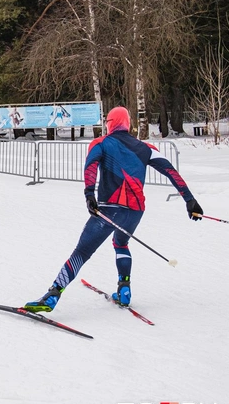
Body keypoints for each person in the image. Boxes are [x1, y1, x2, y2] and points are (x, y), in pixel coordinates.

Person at [23, 106, 203, 312]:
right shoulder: (146, 148)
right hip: (135, 211)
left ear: (109, 124)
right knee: (121, 243)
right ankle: (124, 289)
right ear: (128, 124)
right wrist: (190, 200)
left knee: (82, 252)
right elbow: (171, 171)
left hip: (108, 210)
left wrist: (89, 194)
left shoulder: (101, 143)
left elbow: (90, 166)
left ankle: (52, 296)